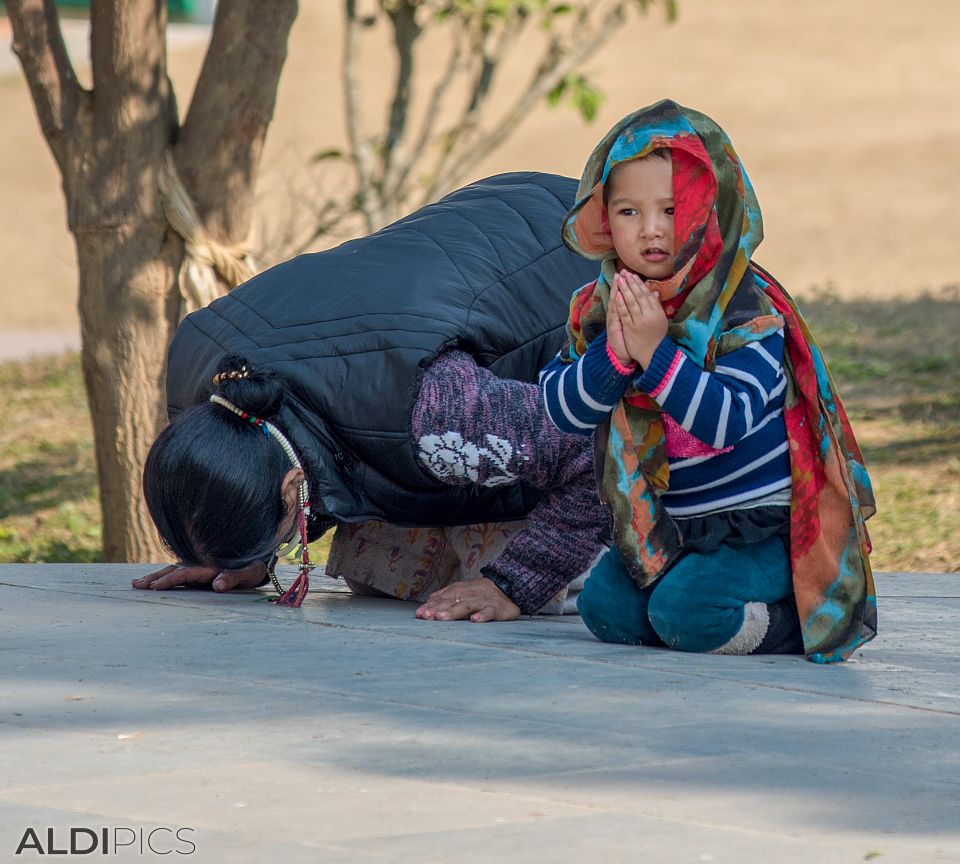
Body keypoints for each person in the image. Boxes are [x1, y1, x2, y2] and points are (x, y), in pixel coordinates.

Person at [133, 172, 610, 622]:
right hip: (490, 231)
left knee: (552, 576)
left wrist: (515, 584)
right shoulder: (205, 380)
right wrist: (231, 550)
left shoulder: (436, 413)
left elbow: (588, 455)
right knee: (381, 567)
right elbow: (308, 443)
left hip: (590, 250)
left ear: (291, 487)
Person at [539, 100, 877, 663]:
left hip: (763, 528)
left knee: (686, 612)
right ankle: (694, 606)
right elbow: (560, 412)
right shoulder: (601, 307)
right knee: (606, 610)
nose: (651, 229)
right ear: (603, 219)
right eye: (628, 211)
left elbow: (726, 422)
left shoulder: (745, 309)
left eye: (673, 209)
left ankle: (795, 619)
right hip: (673, 524)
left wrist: (654, 352)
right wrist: (614, 357)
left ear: (712, 209)